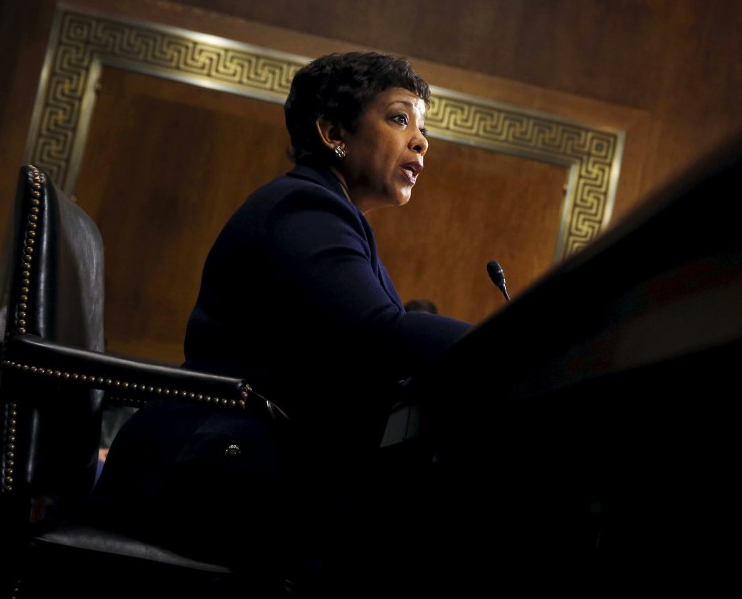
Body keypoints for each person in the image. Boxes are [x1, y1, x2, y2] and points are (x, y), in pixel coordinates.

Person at [93, 52, 473, 588]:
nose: (420, 141)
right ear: (333, 131)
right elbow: (379, 331)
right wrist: (515, 342)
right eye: (399, 118)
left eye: (422, 127)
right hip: (210, 475)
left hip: (240, 465)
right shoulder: (304, 207)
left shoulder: (329, 214)